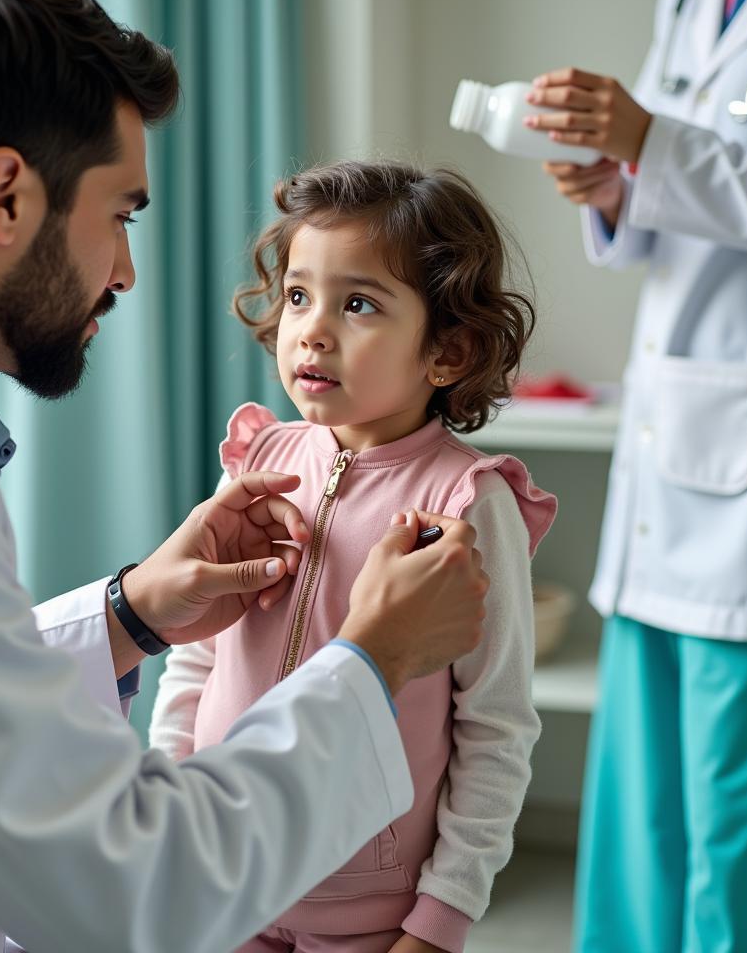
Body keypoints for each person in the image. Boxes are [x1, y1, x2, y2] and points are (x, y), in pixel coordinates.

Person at [0, 0, 494, 953]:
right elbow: (120, 883)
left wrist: (130, 612)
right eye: (121, 214)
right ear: (5, 196)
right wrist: (371, 663)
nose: (123, 271)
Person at [150, 161, 558, 953]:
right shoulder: (257, 460)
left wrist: (441, 921)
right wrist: (165, 805)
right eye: (299, 296)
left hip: (368, 907)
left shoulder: (469, 505)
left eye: (359, 303)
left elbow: (496, 725)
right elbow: (196, 658)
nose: (312, 329)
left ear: (447, 351)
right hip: (218, 873)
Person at [525, 0, 747, 950]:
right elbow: (659, 176)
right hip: (675, 432)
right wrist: (613, 186)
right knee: (642, 811)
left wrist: (651, 141)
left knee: (738, 826)